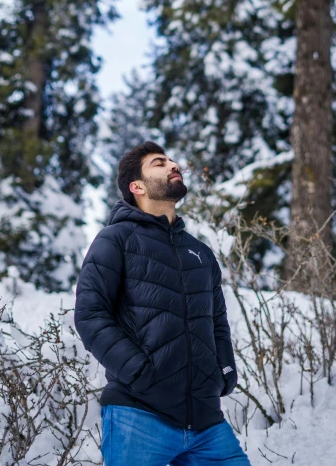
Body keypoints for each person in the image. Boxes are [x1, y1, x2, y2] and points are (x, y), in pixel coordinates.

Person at [74, 141, 251, 466]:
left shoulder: (200, 252)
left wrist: (224, 372)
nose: (172, 165)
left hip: (206, 419)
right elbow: (90, 315)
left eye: (172, 160)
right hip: (139, 414)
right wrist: (138, 371)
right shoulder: (116, 239)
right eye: (159, 162)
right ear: (136, 186)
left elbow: (217, 322)